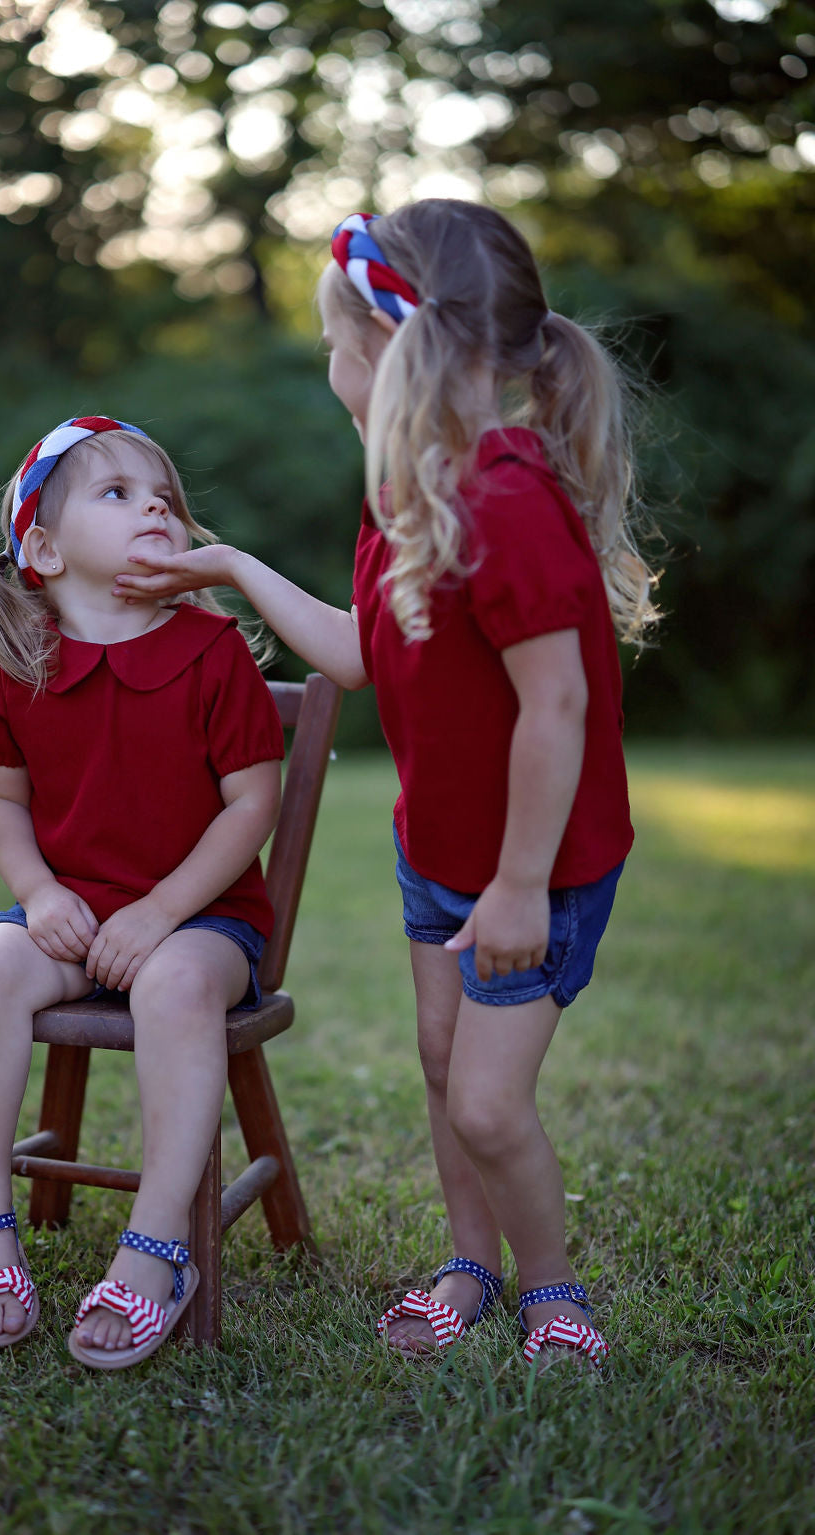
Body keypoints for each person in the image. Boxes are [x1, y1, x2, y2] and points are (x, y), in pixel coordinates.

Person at [113, 200, 660, 1369]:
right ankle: (469, 1263)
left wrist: (517, 886)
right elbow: (361, 655)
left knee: (486, 1103)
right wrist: (227, 566)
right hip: (440, 852)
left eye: (331, 337)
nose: (326, 361)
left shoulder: (506, 503)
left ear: (391, 348)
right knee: (435, 1059)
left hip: (537, 867)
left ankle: (552, 1293)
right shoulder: (401, 494)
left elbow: (557, 707)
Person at [0, 415, 283, 1370]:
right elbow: (0, 799)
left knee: (174, 985)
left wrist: (164, 909)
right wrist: (36, 891)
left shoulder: (210, 654)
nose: (155, 509)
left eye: (163, 496)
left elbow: (253, 804)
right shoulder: (19, 664)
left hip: (203, 919)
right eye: (118, 492)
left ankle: (157, 1247)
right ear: (42, 547)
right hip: (71, 908)